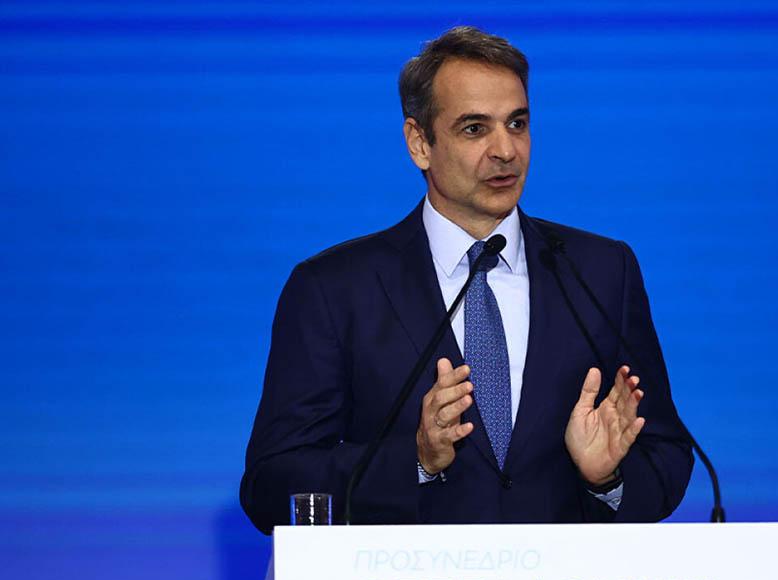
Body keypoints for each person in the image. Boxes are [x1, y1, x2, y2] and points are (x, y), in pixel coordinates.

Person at [240, 26, 693, 533]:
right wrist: (413, 460)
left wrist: (605, 479)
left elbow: (668, 456)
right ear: (420, 143)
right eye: (475, 128)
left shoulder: (602, 272)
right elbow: (270, 485)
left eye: (517, 123)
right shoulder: (334, 289)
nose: (506, 150)